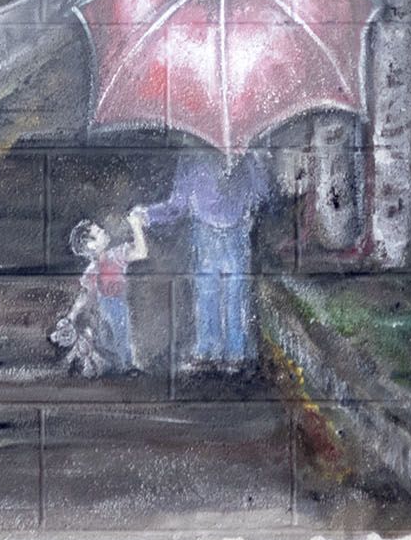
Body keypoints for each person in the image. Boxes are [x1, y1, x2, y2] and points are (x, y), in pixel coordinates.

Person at [141, 150, 273, 371]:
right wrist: (148, 214)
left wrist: (257, 166)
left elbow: (263, 195)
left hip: (235, 234)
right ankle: (209, 352)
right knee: (208, 294)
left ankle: (234, 354)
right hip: (206, 234)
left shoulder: (247, 158)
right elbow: (177, 205)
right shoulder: (192, 158)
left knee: (232, 295)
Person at [53, 212, 146, 377]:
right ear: (91, 246)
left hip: (116, 304)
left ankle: (124, 364)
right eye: (98, 232)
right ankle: (94, 359)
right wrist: (71, 316)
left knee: (119, 334)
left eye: (100, 229)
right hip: (103, 308)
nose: (104, 231)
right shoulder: (93, 269)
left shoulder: (116, 255)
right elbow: (85, 295)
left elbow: (141, 252)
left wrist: (136, 227)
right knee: (107, 338)